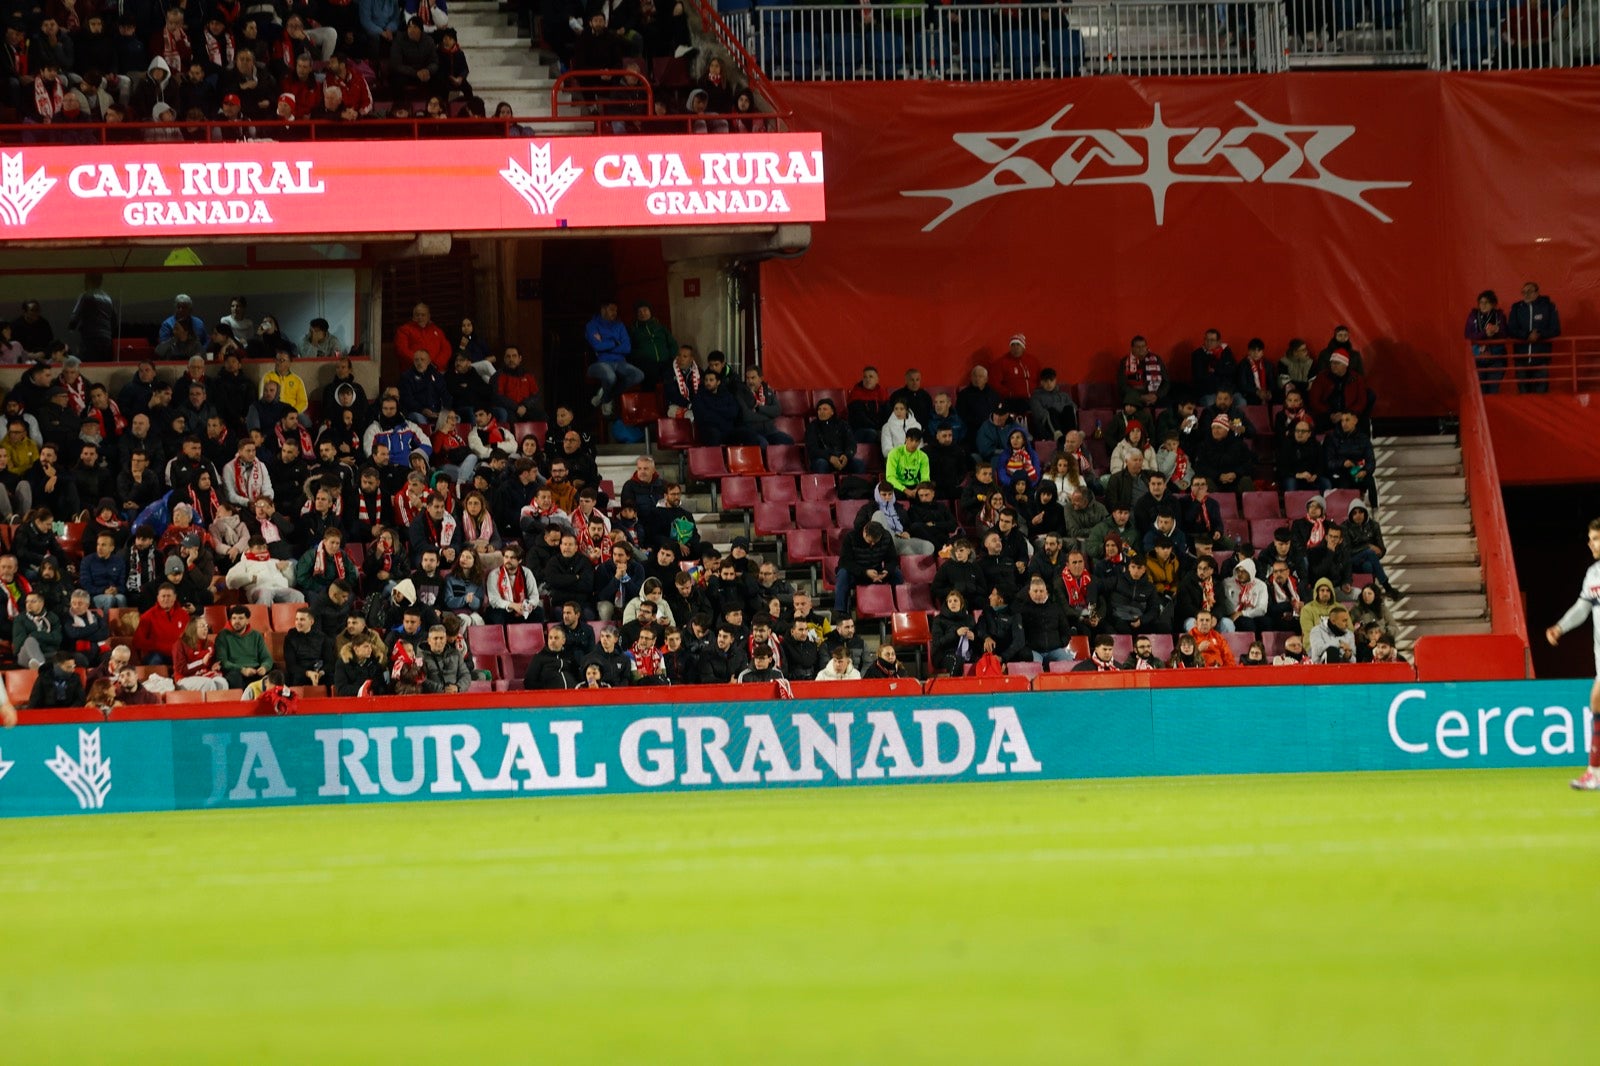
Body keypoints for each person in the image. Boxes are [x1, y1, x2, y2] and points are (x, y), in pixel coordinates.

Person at [1546, 519, 1600, 790]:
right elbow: (1582, 608)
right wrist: (1560, 627)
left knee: (1598, 699)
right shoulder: (1593, 574)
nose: (1591, 543)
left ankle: (1595, 772)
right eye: (1590, 538)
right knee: (1598, 702)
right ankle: (1595, 772)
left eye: (1596, 538)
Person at [585, 300, 643, 415]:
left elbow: (627, 348)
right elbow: (597, 346)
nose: (615, 312)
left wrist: (605, 344)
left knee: (638, 375)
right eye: (611, 309)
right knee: (610, 377)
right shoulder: (592, 325)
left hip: (620, 362)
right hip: (600, 363)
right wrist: (616, 343)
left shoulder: (619, 325)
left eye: (616, 310)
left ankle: (605, 396)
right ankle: (607, 400)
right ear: (603, 309)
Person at [1508, 281, 1560, 394]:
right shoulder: (1516, 308)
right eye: (1524, 292)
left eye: (1529, 291)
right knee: (1523, 394)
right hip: (1521, 359)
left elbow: (1556, 329)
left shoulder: (1549, 307)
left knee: (1542, 394)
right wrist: (1527, 335)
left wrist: (1539, 335)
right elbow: (1511, 329)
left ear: (1537, 292)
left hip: (1541, 358)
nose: (1526, 294)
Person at [216, 605, 274, 689]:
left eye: (240, 618)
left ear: (247, 620)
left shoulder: (256, 635)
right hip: (235, 671)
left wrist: (264, 667)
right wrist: (242, 669)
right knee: (234, 677)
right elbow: (223, 662)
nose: (236, 621)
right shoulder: (223, 635)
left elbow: (267, 658)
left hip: (255, 670)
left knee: (276, 675)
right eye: (234, 618)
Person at [1465, 289, 1510, 393]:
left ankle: (1491, 409)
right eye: (1481, 302)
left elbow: (1505, 334)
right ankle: (1482, 409)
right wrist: (1485, 334)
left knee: (1493, 390)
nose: (1483, 305)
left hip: (1496, 359)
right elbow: (1468, 335)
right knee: (1480, 391)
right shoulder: (1473, 316)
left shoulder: (1499, 316)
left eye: (1487, 302)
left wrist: (1497, 330)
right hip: (1478, 358)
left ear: (1494, 304)